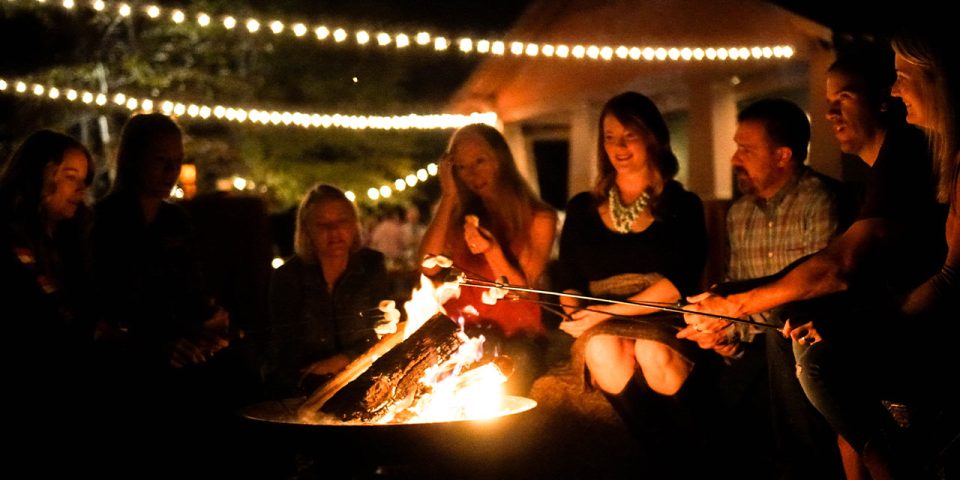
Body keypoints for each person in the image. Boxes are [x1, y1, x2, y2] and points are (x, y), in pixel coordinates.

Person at [684, 45, 949, 478]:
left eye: (843, 98)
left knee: (805, 334)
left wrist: (736, 306)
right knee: (789, 330)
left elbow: (841, 267)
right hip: (903, 315)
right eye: (826, 102)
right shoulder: (885, 166)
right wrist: (733, 296)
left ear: (884, 97)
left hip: (931, 327)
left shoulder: (907, 148)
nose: (829, 113)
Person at [678, 99, 844, 479]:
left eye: (746, 150)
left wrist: (738, 313)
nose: (735, 160)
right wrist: (720, 334)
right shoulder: (740, 214)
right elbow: (737, 290)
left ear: (783, 155)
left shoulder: (820, 201)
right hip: (752, 352)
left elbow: (818, 290)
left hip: (797, 346)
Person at [553, 91, 709, 474]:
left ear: (653, 137)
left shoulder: (682, 204)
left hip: (660, 311)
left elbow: (679, 283)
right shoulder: (581, 207)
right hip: (598, 320)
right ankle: (664, 457)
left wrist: (596, 314)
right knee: (603, 348)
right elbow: (570, 277)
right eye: (609, 137)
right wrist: (575, 315)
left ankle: (696, 455)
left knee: (651, 352)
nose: (618, 147)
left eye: (629, 135)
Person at [420, 123, 557, 394]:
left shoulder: (538, 217)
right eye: (461, 166)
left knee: (506, 368)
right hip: (462, 332)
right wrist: (448, 197)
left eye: (480, 161)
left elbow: (522, 292)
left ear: (501, 159)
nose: (472, 174)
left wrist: (491, 251)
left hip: (518, 337)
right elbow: (427, 265)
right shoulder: (459, 215)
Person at [0, 130, 97, 465]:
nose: (80, 190)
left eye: (83, 180)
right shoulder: (10, 244)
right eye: (70, 177)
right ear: (37, 176)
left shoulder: (66, 244)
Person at [267, 184, 390, 397]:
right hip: (304, 388)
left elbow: (385, 329)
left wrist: (344, 359)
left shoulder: (371, 266)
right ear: (307, 231)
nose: (334, 232)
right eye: (323, 225)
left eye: (342, 221)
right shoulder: (288, 277)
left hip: (366, 383)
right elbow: (281, 345)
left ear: (353, 225)